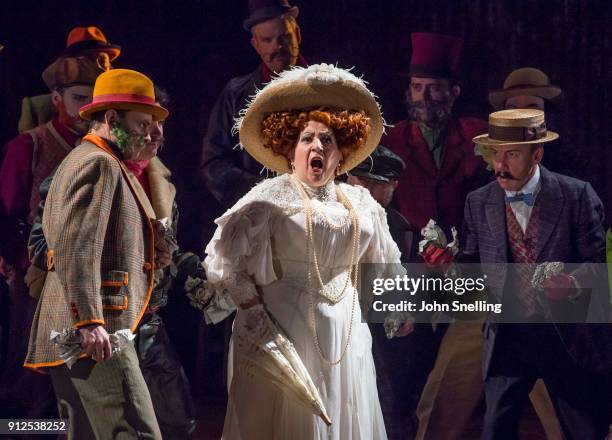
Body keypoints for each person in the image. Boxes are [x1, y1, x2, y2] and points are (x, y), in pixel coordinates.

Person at [204, 63, 404, 439]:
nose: (317, 147)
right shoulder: (269, 198)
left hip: (347, 333)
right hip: (285, 329)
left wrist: (398, 305)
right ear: (288, 148)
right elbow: (224, 263)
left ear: (341, 151)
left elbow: (385, 264)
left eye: (327, 140)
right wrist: (253, 312)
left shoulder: (361, 202)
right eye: (306, 138)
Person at [423, 108, 611, 439]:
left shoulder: (576, 195)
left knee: (582, 428)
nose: (500, 164)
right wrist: (448, 267)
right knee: (496, 427)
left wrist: (571, 282)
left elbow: (597, 263)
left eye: (511, 154)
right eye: (496, 153)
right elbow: (473, 264)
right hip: (507, 334)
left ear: (536, 154)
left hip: (562, 335)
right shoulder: (479, 202)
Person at [26, 87, 198, 439]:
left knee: (89, 432)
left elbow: (106, 241)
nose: (152, 132)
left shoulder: (103, 162)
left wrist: (155, 252)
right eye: (142, 123)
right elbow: (78, 247)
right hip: (100, 324)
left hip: (104, 323)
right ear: (111, 119)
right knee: (135, 432)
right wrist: (88, 321)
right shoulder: (99, 163)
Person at [382, 32, 490, 440]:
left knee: (457, 377)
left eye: (435, 88)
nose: (425, 97)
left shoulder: (477, 137)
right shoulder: (389, 141)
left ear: (454, 91)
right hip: (407, 273)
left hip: (464, 275)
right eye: (417, 87)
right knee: (404, 376)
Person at [0, 56, 102, 418]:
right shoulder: (30, 146)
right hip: (38, 275)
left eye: (93, 99)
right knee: (34, 371)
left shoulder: (100, 146)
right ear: (56, 98)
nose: (86, 107)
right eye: (78, 97)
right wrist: (23, 263)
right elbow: (8, 212)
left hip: (89, 276)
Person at [198, 0, 307, 209]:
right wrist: (270, 192)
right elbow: (214, 165)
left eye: (285, 36)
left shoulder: (328, 88)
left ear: (298, 35)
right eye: (267, 40)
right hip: (259, 221)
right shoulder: (235, 94)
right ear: (256, 45)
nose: (278, 46)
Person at [18, 26, 120, 133]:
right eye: (87, 60)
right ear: (70, 65)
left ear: (110, 67)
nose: (96, 67)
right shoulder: (37, 108)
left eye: (102, 61)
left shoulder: (122, 106)